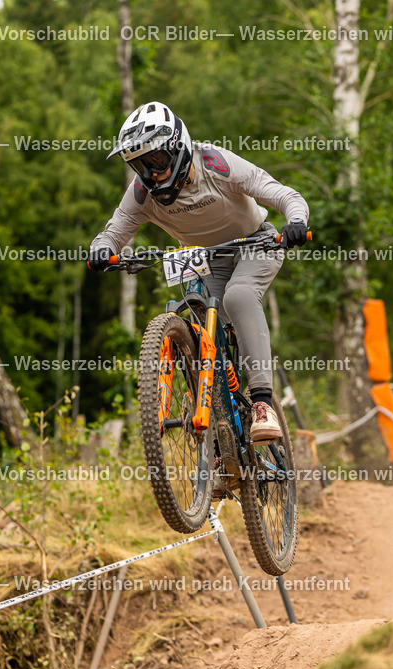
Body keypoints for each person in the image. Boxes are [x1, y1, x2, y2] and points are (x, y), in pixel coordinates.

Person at [88, 101, 309, 443]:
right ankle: (221, 438)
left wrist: (296, 222)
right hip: (205, 257)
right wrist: (102, 251)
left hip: (255, 243)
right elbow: (113, 231)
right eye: (139, 166)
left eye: (156, 161)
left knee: (238, 296)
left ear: (177, 148)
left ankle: (262, 403)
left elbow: (281, 193)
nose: (151, 174)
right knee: (202, 325)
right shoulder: (142, 192)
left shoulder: (216, 163)